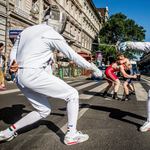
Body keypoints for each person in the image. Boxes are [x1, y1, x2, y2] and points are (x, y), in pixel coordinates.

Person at [0, 7, 102, 145]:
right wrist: (93, 68)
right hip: (34, 73)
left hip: (20, 76)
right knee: (72, 95)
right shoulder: (52, 33)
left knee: (43, 110)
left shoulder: (27, 30)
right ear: (59, 21)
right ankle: (71, 134)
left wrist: (14, 62)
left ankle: (7, 133)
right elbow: (72, 55)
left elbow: (14, 49)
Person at [117, 41, 150, 132]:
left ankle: (127, 96)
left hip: (130, 73)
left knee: (125, 84)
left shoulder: (125, 60)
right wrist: (129, 45)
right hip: (130, 73)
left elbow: (146, 46)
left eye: (120, 56)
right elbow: (146, 46)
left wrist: (129, 45)